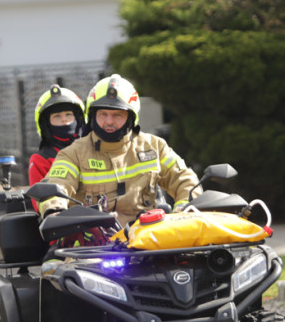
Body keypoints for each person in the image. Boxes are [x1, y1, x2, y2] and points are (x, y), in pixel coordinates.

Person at [37, 74, 199, 227]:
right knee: (56, 258)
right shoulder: (73, 153)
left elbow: (184, 179)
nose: (109, 121)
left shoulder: (154, 146)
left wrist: (184, 207)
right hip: (93, 244)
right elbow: (56, 186)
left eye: (117, 115)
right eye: (103, 114)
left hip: (149, 240)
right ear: (92, 115)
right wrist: (54, 210)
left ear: (131, 117)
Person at [28, 84, 85, 185]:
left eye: (68, 114)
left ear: (78, 118)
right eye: (57, 116)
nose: (64, 119)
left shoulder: (93, 150)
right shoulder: (40, 161)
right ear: (46, 124)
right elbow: (40, 199)